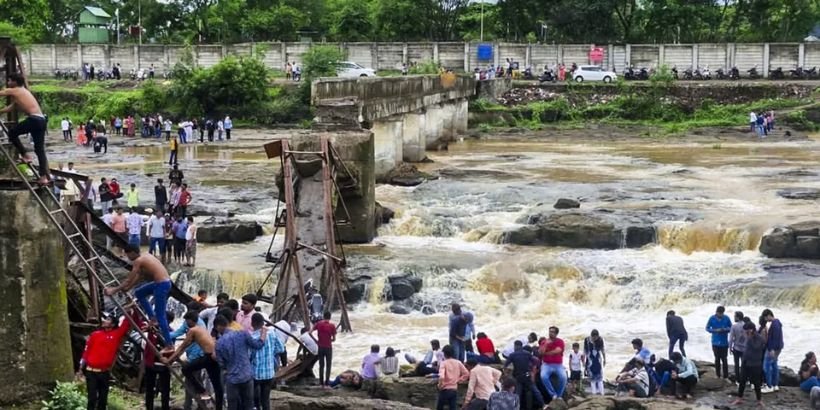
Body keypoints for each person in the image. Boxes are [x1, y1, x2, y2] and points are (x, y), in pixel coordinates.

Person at [104, 249, 173, 346]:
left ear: (132, 252)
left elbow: (129, 279)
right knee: (139, 293)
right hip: (163, 283)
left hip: (161, 285)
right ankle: (152, 318)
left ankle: (169, 345)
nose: (128, 258)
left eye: (128, 255)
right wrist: (128, 288)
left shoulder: (138, 260)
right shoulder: (146, 256)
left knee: (161, 316)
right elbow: (140, 276)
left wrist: (114, 290)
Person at [164, 311, 223, 410]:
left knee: (186, 369)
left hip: (208, 357)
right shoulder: (201, 328)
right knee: (217, 385)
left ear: (191, 321)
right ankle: (218, 407)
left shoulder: (193, 330)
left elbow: (182, 347)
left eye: (186, 321)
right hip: (213, 356)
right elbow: (187, 346)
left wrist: (169, 360)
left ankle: (202, 390)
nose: (186, 323)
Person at [79, 309, 133, 410]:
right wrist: (81, 367)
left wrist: (129, 310)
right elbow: (86, 351)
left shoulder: (116, 334)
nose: (104, 321)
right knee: (92, 398)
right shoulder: (95, 335)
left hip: (104, 372)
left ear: (113, 324)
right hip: (91, 372)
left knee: (103, 399)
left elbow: (126, 324)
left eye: (108, 319)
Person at [1, 73, 49, 184]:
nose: (8, 83)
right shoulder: (23, 92)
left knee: (12, 133)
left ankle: (26, 155)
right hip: (41, 120)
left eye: (9, 80)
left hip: (34, 120)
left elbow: (2, 93)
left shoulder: (15, 90)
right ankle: (43, 177)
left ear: (15, 82)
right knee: (39, 149)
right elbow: (11, 108)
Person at [215, 313, 266, 410]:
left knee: (232, 405)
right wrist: (264, 333)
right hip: (246, 376)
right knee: (248, 404)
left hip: (232, 378)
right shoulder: (243, 333)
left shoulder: (219, 343)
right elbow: (258, 345)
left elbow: (221, 363)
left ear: (218, 326)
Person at [141, 311, 173, 410]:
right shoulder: (153, 329)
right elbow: (141, 326)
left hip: (164, 364)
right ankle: (149, 407)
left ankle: (165, 407)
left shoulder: (171, 332)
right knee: (150, 388)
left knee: (165, 389)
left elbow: (171, 348)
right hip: (151, 363)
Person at [251, 313, 283, 410]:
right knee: (265, 399)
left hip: (255, 374)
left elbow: (249, 356)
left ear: (252, 323)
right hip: (269, 373)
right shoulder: (272, 333)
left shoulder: (252, 337)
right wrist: (270, 352)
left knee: (254, 399)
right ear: (262, 323)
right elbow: (281, 349)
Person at [731, 322, 766, 406]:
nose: (744, 333)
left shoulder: (759, 338)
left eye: (745, 331)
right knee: (742, 381)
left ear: (751, 330)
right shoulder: (747, 337)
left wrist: (749, 338)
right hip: (745, 362)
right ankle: (739, 398)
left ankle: (759, 400)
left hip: (755, 364)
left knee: (756, 383)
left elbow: (756, 347)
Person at [504, 340, 544, 409]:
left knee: (517, 394)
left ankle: (516, 408)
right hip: (527, 375)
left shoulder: (512, 355)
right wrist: (534, 370)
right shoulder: (527, 353)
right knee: (535, 391)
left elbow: (505, 365)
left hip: (518, 377)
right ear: (521, 346)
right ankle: (543, 404)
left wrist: (506, 373)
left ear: (515, 346)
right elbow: (536, 360)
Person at [437, 345, 470, 410]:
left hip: (445, 389)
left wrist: (439, 385)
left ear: (444, 354)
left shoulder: (443, 363)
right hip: (454, 389)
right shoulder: (458, 362)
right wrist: (459, 380)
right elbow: (466, 373)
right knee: (453, 407)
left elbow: (441, 377)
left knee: (439, 407)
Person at [539, 326, 567, 401]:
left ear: (556, 333)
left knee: (563, 377)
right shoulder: (544, 341)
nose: (550, 333)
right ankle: (553, 394)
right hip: (546, 364)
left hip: (558, 365)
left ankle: (559, 395)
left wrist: (547, 353)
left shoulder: (560, 341)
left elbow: (557, 351)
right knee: (543, 376)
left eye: (552, 332)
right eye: (550, 331)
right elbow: (541, 353)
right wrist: (546, 344)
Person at [706, 306, 732, 379]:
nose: (720, 315)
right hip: (715, 342)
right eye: (719, 313)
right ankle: (718, 375)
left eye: (721, 314)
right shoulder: (712, 318)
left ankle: (726, 376)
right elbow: (707, 328)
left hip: (724, 342)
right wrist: (715, 330)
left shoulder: (726, 318)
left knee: (724, 359)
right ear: (716, 312)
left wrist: (725, 329)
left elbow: (731, 328)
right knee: (717, 359)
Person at [761, 308, 784, 393]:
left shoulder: (775, 324)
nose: (765, 320)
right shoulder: (777, 323)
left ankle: (769, 386)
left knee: (766, 366)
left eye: (765, 318)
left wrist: (772, 349)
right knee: (774, 365)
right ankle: (775, 385)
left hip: (773, 348)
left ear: (769, 315)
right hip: (778, 347)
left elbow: (775, 338)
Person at [313, 311, 337, 387]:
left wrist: (316, 340)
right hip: (328, 347)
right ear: (330, 317)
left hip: (320, 346)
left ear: (323, 316)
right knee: (328, 365)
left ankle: (321, 383)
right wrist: (331, 340)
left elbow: (310, 332)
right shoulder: (332, 326)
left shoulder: (318, 324)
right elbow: (334, 339)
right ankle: (327, 383)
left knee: (321, 365)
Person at [584, 329, 606, 395]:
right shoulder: (587, 340)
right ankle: (594, 393)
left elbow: (602, 350)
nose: (595, 339)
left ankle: (602, 393)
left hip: (597, 360)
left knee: (599, 377)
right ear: (591, 336)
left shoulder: (600, 339)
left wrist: (605, 359)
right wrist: (583, 359)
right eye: (594, 337)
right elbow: (585, 350)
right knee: (591, 377)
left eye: (596, 337)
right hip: (590, 360)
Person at [729, 311, 747, 384]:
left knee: (736, 364)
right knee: (744, 365)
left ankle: (737, 380)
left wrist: (730, 347)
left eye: (735, 316)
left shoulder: (734, 326)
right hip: (745, 348)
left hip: (736, 348)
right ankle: (744, 379)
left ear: (738, 317)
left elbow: (731, 338)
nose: (734, 318)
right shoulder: (746, 325)